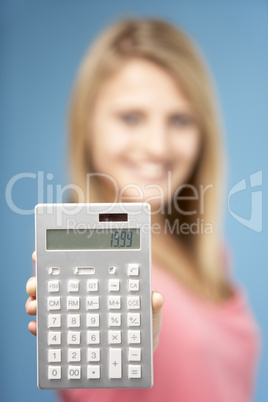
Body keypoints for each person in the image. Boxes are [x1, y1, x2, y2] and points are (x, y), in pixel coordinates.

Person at [25, 18, 260, 402]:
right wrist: (124, 348)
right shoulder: (82, 250)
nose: (157, 146)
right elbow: (90, 381)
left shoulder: (205, 251)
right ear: (87, 125)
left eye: (180, 120)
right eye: (131, 117)